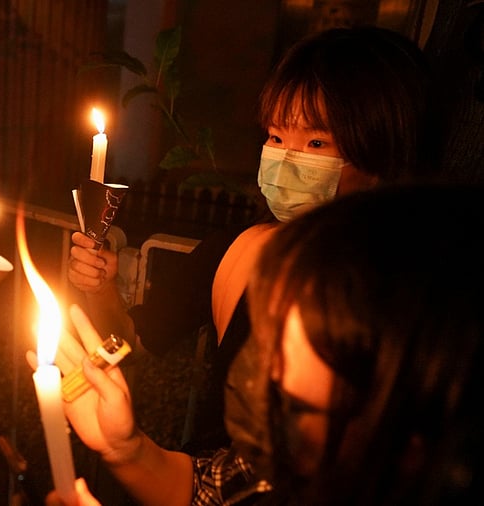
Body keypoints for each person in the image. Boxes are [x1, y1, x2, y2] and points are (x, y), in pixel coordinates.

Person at [67, 25, 441, 455]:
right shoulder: (238, 251)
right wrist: (102, 287)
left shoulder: (414, 295)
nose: (286, 160)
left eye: (316, 142)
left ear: (383, 154)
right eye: (277, 137)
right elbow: (132, 341)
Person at [44, 183, 484, 505]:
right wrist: (128, 449)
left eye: (298, 404)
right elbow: (213, 489)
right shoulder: (284, 461)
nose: (264, 398)